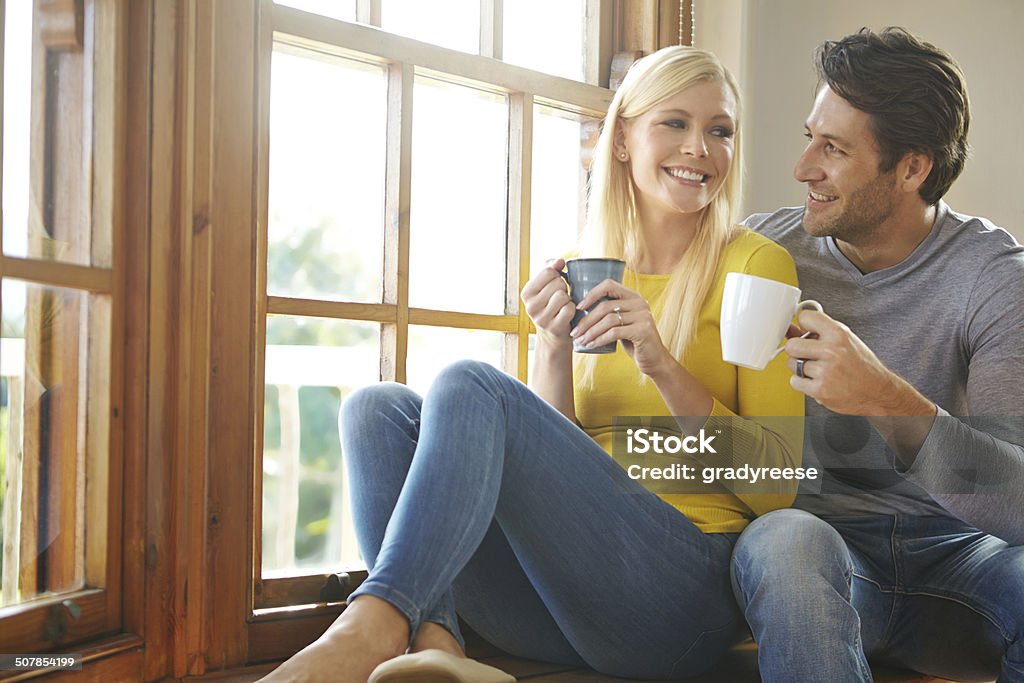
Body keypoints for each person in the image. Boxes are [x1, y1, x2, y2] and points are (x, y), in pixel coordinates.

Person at [260, 45, 804, 683]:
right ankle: (437, 646)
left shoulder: (755, 265)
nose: (700, 148)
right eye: (675, 123)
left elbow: (775, 487)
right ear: (623, 139)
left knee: (471, 383)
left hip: (679, 602)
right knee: (375, 409)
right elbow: (559, 463)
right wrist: (552, 346)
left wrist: (659, 361)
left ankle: (375, 623)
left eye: (720, 131)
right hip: (561, 607)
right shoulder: (585, 263)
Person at [732, 27, 1024, 683]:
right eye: (810, 136)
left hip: (955, 554)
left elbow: (1018, 502)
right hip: (820, 552)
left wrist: (883, 397)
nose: (803, 166)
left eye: (832, 148)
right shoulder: (761, 254)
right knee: (786, 540)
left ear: (911, 168)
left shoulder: (996, 276)